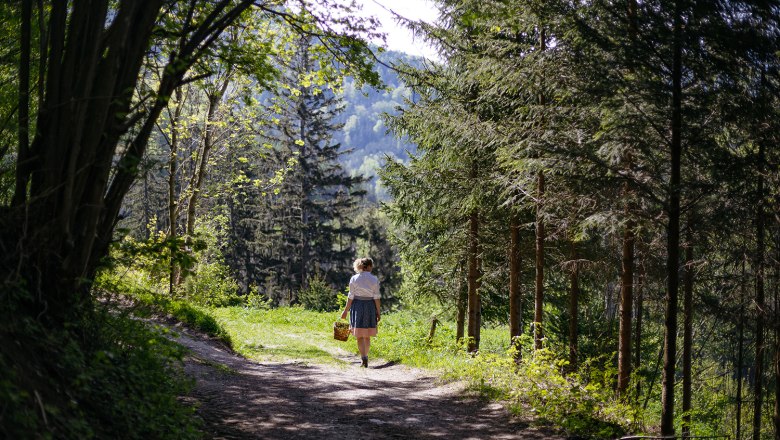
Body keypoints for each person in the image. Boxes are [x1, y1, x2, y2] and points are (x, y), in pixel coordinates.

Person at [340, 257, 381, 368]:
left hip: (357, 306)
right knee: (367, 336)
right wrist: (378, 312)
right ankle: (366, 356)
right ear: (369, 266)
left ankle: (363, 358)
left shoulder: (354, 278)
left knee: (359, 336)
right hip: (370, 307)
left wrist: (345, 311)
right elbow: (376, 297)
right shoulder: (374, 279)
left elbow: (350, 296)